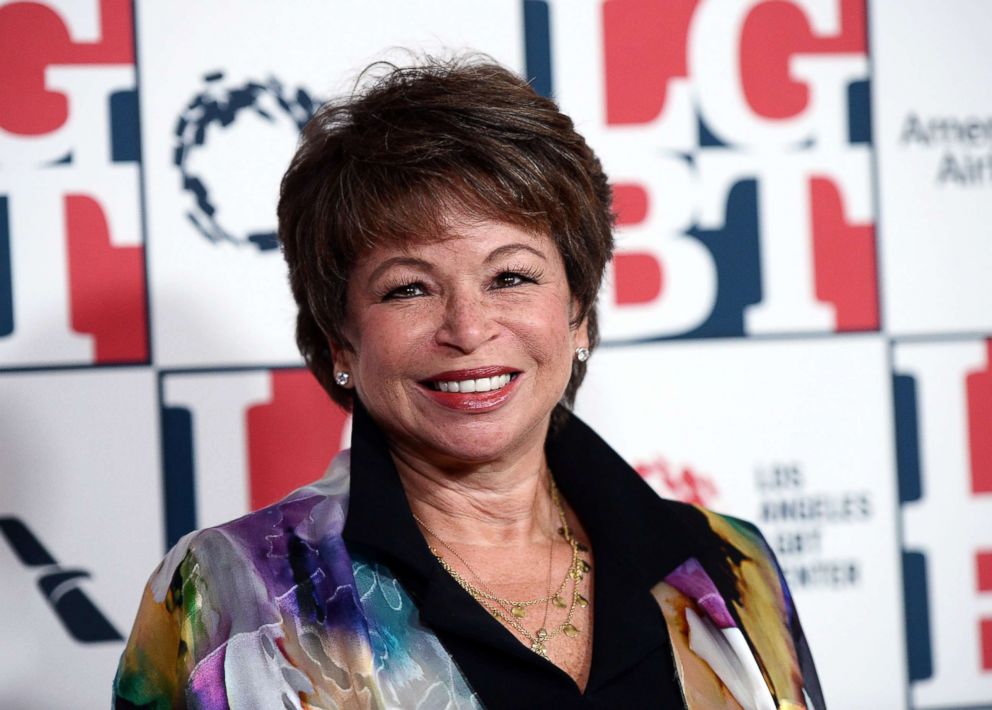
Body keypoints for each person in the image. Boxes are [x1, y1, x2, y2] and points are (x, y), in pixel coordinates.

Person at [113, 58, 824, 709]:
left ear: (577, 314)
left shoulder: (727, 567)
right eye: (408, 289)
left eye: (510, 276)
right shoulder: (229, 594)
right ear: (340, 342)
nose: (468, 327)